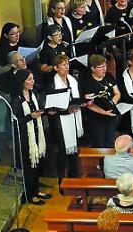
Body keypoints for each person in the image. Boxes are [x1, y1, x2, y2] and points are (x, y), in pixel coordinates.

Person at [11, 69, 51, 205]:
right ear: (22, 82)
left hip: (36, 135)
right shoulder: (16, 99)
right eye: (29, 79)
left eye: (33, 78)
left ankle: (36, 191)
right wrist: (30, 116)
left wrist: (44, 112)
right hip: (25, 138)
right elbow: (15, 121)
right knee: (29, 168)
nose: (33, 82)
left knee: (37, 165)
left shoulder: (32, 94)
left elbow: (36, 112)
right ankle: (29, 196)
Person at [45, 54, 83, 192]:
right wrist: (66, 110)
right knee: (62, 152)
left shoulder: (73, 80)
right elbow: (52, 107)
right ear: (55, 68)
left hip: (73, 118)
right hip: (60, 122)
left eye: (67, 63)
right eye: (63, 64)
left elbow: (77, 98)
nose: (66, 67)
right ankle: (62, 180)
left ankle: (74, 177)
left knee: (73, 151)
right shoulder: (52, 84)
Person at [83, 54, 121, 148]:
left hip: (111, 115)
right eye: (100, 67)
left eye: (105, 66)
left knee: (110, 141)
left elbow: (117, 93)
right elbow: (90, 104)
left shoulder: (109, 77)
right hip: (97, 117)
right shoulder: (88, 82)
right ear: (93, 69)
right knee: (99, 143)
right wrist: (104, 112)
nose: (104, 69)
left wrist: (112, 103)